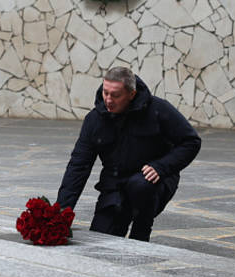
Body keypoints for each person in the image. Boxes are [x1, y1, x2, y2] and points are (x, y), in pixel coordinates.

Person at [56, 66, 200, 242]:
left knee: (141, 184)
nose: (108, 100)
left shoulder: (158, 109)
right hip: (115, 185)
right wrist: (61, 213)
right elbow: (78, 166)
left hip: (154, 181)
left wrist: (161, 167)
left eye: (115, 95)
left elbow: (191, 142)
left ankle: (141, 231)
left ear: (131, 94)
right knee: (100, 240)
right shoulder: (94, 120)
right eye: (105, 93)